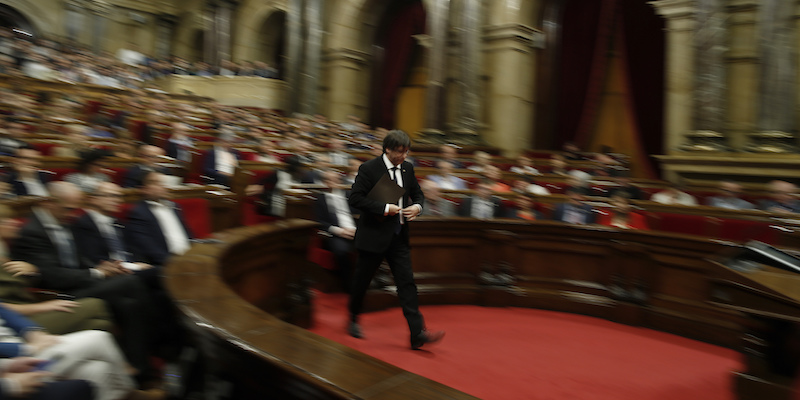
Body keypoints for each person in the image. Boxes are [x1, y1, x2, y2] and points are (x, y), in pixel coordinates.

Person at [10, 182, 153, 377]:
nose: (73, 214)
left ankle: (140, 365)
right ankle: (150, 357)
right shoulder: (32, 232)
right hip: (58, 295)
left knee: (129, 301)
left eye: (75, 208)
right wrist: (96, 274)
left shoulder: (64, 220)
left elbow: (76, 259)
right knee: (131, 283)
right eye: (68, 208)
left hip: (79, 283)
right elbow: (51, 276)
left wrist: (102, 268)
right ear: (49, 202)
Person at [347, 130, 444, 350]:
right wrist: (384, 207)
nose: (403, 156)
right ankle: (353, 317)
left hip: (398, 236)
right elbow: (355, 198)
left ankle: (417, 333)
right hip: (373, 236)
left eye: (406, 152)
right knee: (362, 282)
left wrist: (418, 207)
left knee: (407, 283)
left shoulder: (408, 169)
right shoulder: (369, 168)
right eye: (399, 152)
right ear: (387, 149)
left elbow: (418, 194)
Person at [0, 304, 165, 400]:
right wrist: (24, 349)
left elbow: (3, 310)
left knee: (98, 371)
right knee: (98, 338)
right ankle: (132, 393)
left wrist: (33, 333)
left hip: (17, 357)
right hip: (15, 363)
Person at [124, 172, 193, 267]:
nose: (162, 186)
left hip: (190, 258)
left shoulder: (175, 207)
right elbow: (149, 248)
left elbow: (188, 235)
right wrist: (175, 263)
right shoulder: (139, 213)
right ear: (144, 189)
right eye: (156, 183)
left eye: (162, 183)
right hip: (167, 264)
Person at [314, 171, 356, 290]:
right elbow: (320, 222)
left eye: (337, 180)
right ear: (325, 182)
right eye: (330, 180)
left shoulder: (349, 195)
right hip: (336, 234)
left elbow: (361, 212)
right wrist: (341, 231)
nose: (334, 183)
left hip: (355, 230)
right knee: (341, 252)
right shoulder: (320, 199)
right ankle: (349, 285)